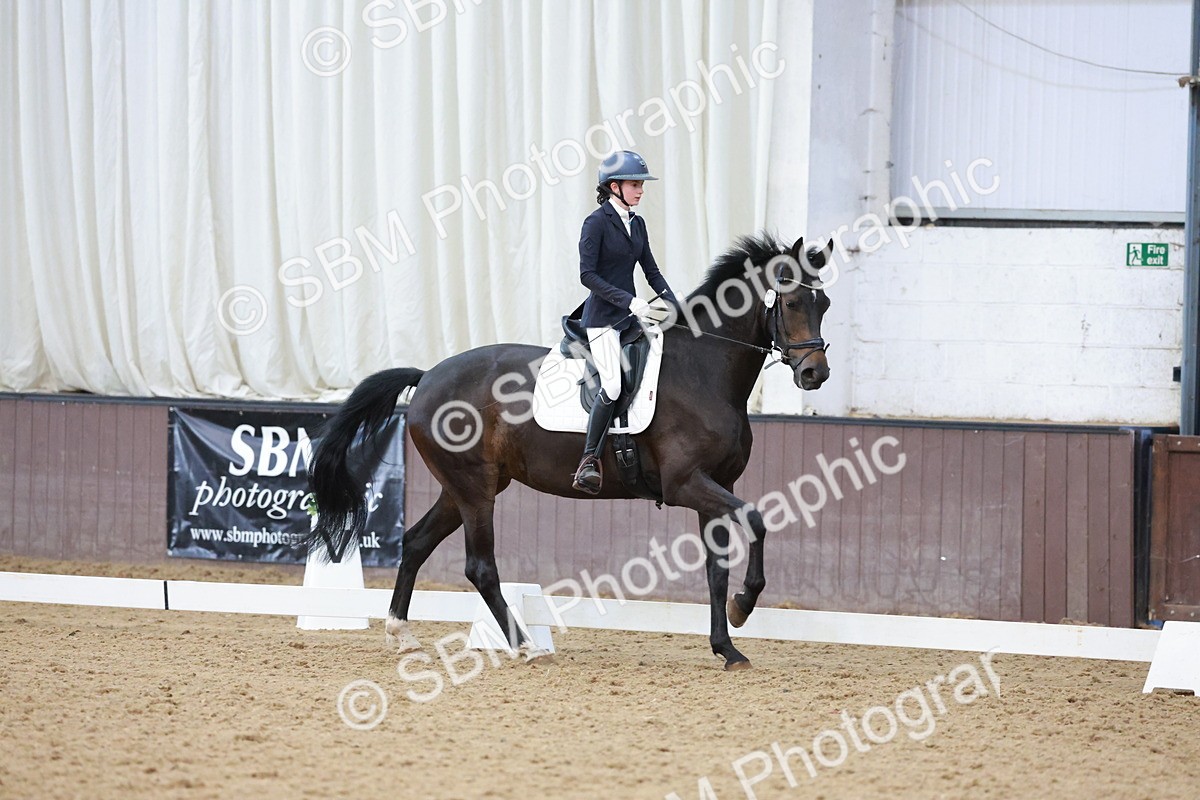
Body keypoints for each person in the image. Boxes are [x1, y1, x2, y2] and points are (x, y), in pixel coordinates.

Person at [572, 150, 679, 495]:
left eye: (641, 185)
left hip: (629, 319)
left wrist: (678, 306)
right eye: (635, 185)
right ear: (614, 186)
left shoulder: (638, 223)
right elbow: (587, 275)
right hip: (602, 319)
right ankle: (589, 459)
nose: (640, 191)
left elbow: (651, 270)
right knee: (614, 385)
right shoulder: (596, 223)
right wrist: (628, 300)